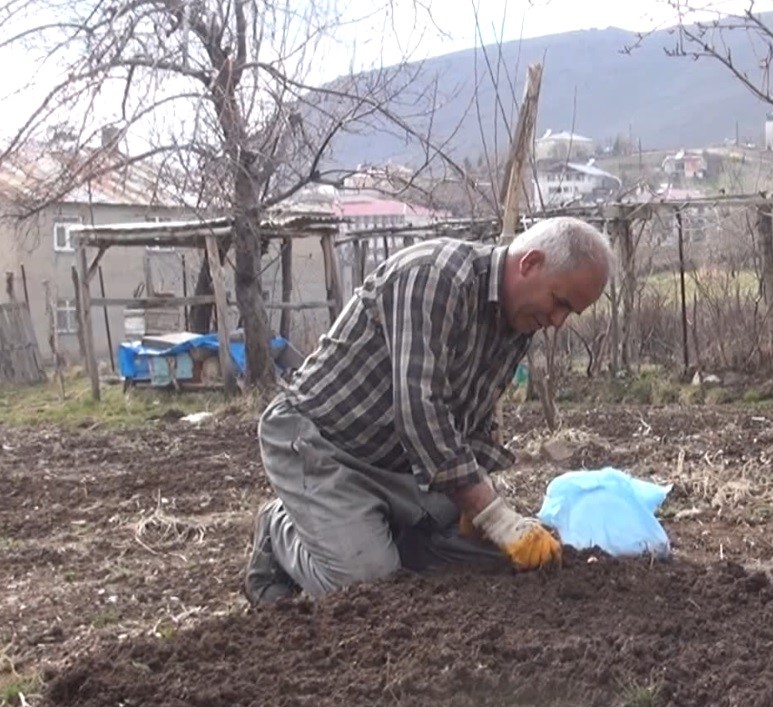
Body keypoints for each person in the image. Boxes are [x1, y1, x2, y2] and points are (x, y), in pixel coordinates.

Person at [244, 216, 615, 606]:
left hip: (399, 462)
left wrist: (482, 501)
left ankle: (376, 532)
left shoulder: (517, 325)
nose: (557, 322)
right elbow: (419, 410)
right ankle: (279, 527)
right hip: (322, 443)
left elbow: (473, 420)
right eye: (559, 303)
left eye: (569, 314)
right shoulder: (436, 277)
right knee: (369, 589)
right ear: (530, 264)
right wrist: (493, 514)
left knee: (489, 562)